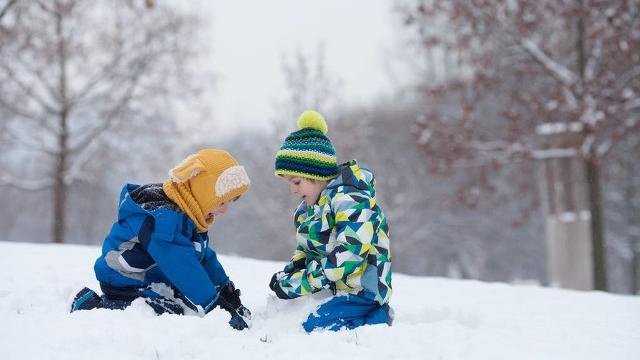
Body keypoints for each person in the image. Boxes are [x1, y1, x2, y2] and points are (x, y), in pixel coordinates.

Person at [70, 149, 252, 330]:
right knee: (169, 314)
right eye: (221, 202)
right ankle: (91, 307)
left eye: (231, 202)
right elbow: (182, 265)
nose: (225, 209)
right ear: (201, 193)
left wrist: (223, 289)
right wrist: (214, 307)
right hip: (124, 278)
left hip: (153, 277)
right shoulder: (163, 218)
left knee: (180, 306)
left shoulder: (190, 214)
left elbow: (202, 257)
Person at [268, 110, 393, 332]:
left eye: (296, 182)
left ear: (316, 176)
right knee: (288, 317)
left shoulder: (352, 202)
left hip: (361, 292)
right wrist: (290, 273)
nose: (292, 190)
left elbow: (348, 258)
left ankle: (377, 318)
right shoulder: (306, 211)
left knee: (311, 326)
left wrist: (298, 285)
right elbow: (305, 252)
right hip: (333, 289)